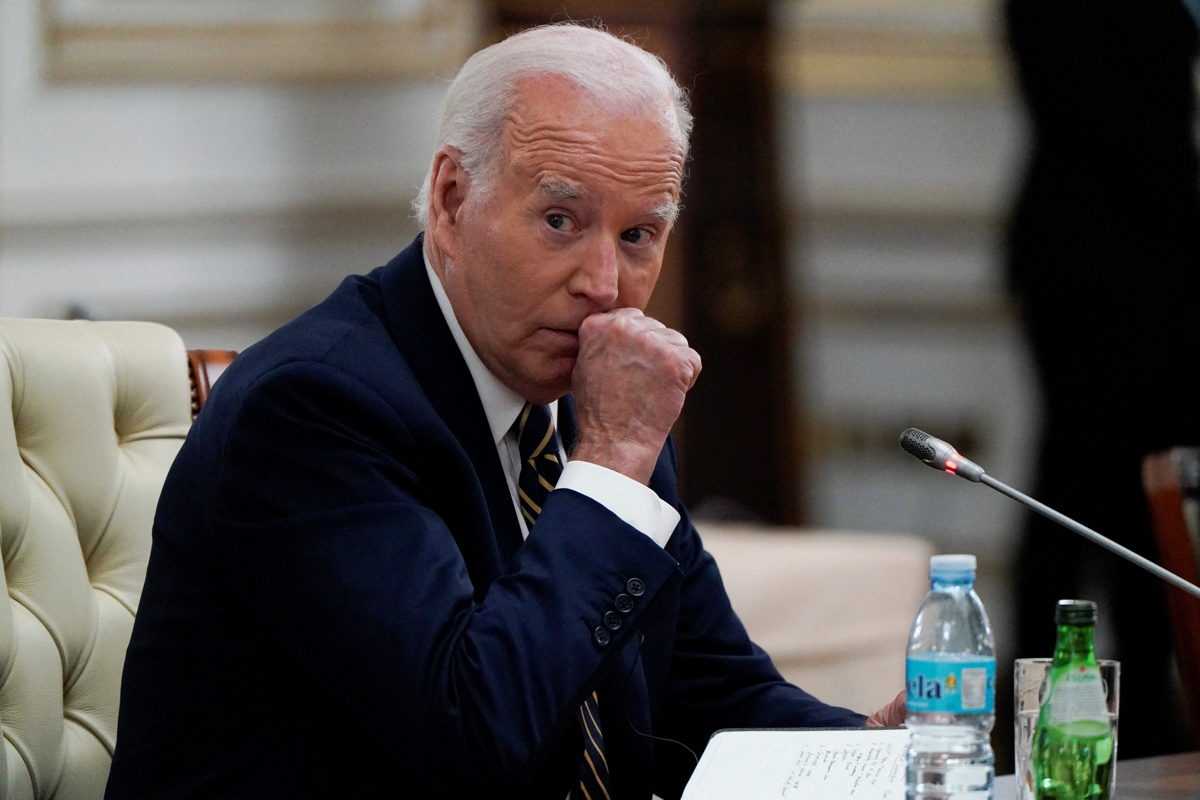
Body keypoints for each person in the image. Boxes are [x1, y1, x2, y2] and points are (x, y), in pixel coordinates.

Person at [105, 23, 904, 800]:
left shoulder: (599, 418)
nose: (605, 283)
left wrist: (872, 760)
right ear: (452, 200)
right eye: (561, 221)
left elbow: (714, 696)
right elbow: (475, 735)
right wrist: (615, 458)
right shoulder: (314, 408)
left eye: (638, 235)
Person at [1003, 0, 1200, 762]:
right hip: (1092, 268)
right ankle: (1041, 718)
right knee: (1073, 494)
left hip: (1168, 271)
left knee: (1146, 501)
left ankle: (1149, 716)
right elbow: (1093, 107)